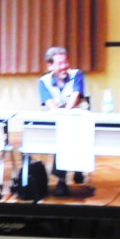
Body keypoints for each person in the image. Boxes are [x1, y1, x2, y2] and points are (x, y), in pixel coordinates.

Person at [37, 46, 86, 196]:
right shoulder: (43, 81)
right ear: (50, 66)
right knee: (61, 135)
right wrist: (62, 116)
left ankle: (64, 177)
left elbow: (75, 97)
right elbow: (49, 105)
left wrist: (65, 114)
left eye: (65, 62)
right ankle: (63, 178)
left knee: (67, 132)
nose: (64, 66)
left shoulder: (77, 75)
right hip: (56, 119)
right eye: (60, 63)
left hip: (75, 119)